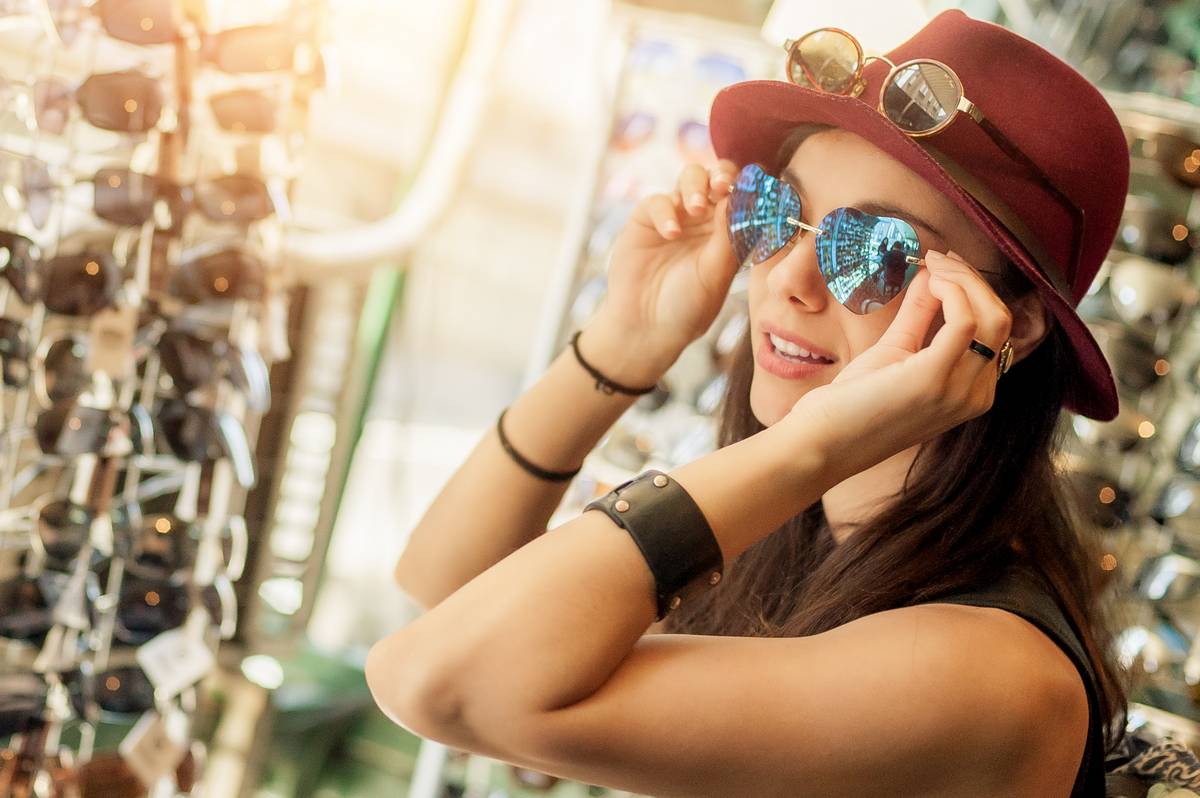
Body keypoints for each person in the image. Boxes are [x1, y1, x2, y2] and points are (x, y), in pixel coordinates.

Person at [367, 9, 1129, 797]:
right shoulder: (808, 542)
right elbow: (445, 586)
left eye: (871, 252)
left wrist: (812, 446)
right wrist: (623, 344)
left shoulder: (987, 671)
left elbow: (439, 679)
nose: (788, 281)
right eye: (774, 214)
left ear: (1015, 325)